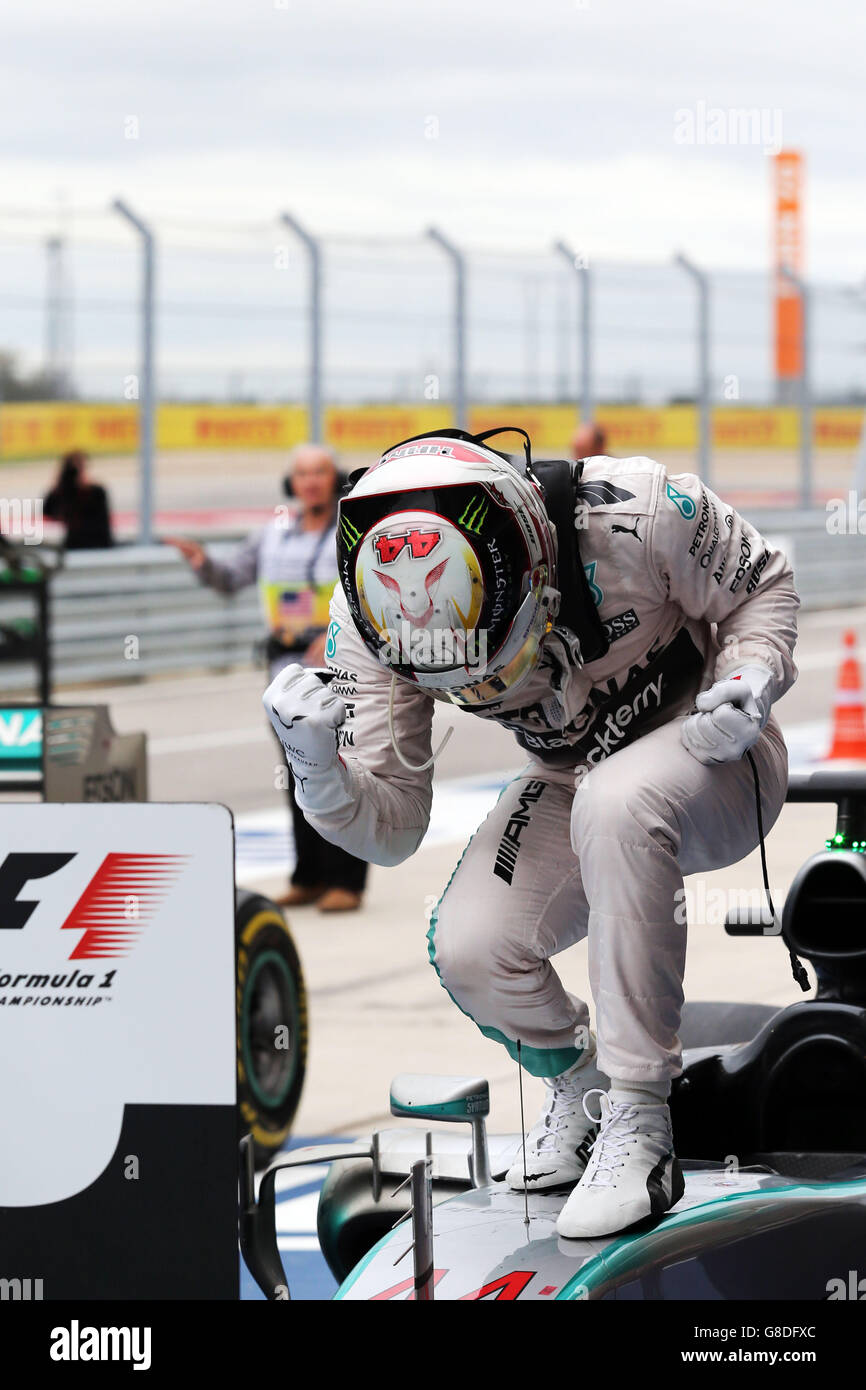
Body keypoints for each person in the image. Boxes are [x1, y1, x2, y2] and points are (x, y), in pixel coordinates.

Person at [264, 426, 798, 1238]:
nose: (479, 684)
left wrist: (747, 679)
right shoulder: (370, 618)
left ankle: (640, 1119)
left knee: (616, 800)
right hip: (573, 778)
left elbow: (764, 582)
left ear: (535, 569)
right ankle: (581, 1090)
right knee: (472, 945)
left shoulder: (641, 511)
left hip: (718, 751)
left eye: (491, 656)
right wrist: (318, 771)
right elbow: (394, 827)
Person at [166, 443, 368, 913]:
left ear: (333, 477)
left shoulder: (352, 533)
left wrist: (339, 633)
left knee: (344, 772)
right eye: (302, 474)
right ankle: (310, 876)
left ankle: (347, 881)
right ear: (290, 484)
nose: (311, 481)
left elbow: (369, 590)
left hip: (342, 669)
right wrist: (203, 563)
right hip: (284, 673)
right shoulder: (272, 535)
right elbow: (230, 577)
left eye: (320, 472)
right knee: (298, 773)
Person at [43, 450, 113, 549]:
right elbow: (48, 512)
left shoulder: (96, 492)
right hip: (77, 544)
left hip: (97, 544)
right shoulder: (59, 494)